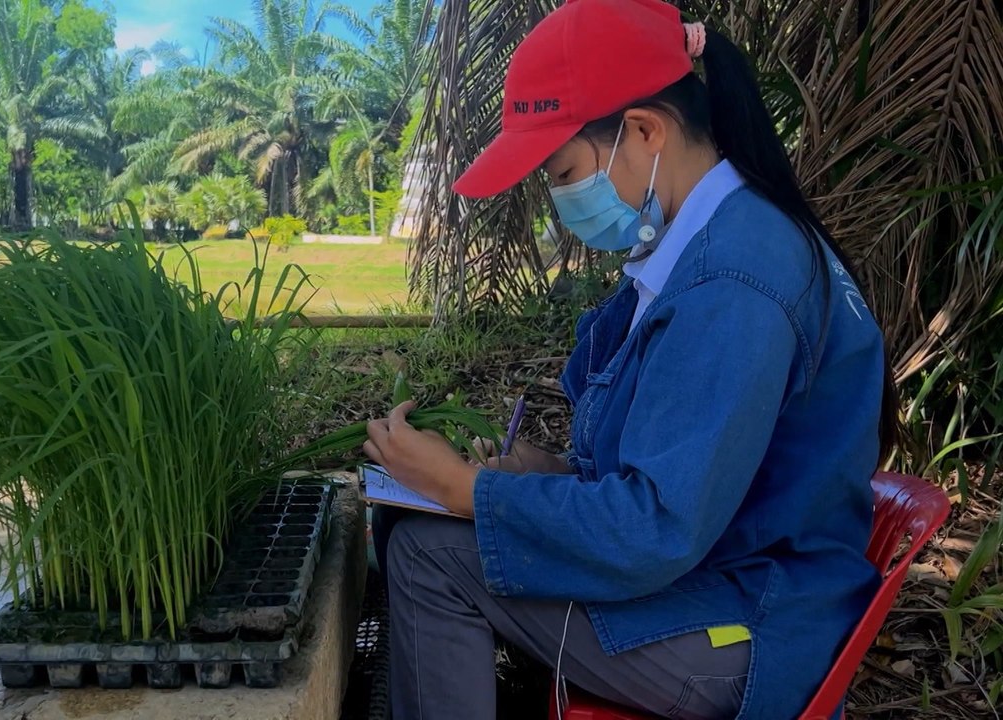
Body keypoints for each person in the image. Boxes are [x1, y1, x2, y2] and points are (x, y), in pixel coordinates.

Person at [360, 1, 897, 719]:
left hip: (746, 628)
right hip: (719, 578)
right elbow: (672, 469)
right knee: (423, 529)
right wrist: (532, 473)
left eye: (566, 171)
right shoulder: (696, 246)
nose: (560, 202)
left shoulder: (733, 280)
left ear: (645, 130)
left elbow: (655, 528)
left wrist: (466, 491)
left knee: (430, 553)